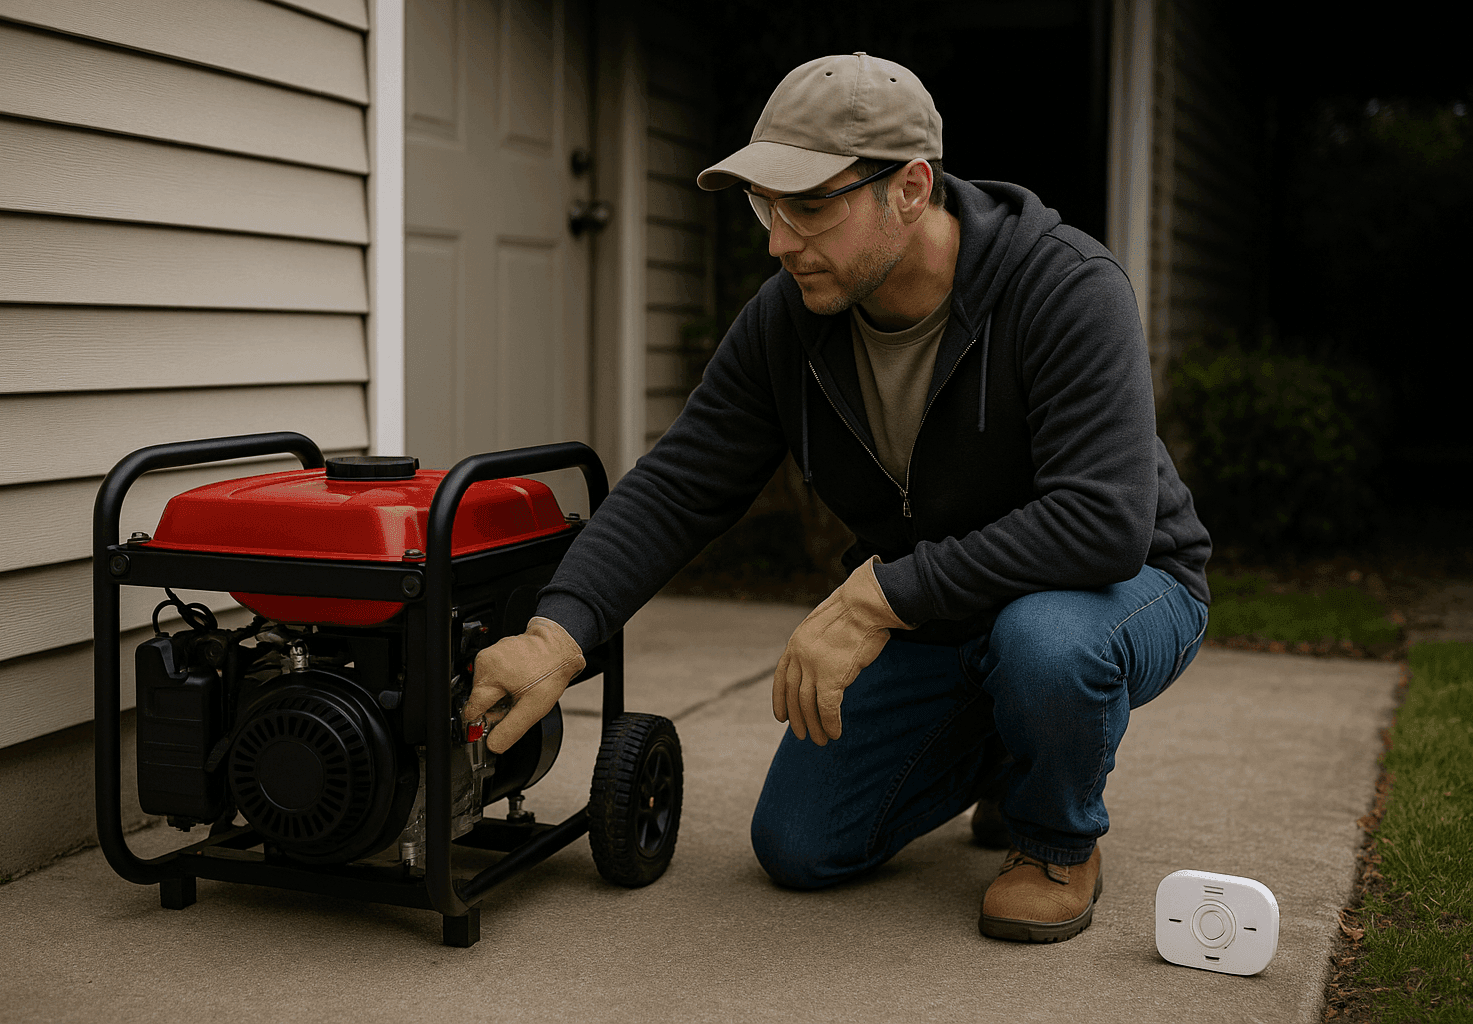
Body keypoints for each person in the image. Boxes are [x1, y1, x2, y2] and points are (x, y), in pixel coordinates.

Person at [464, 52, 1211, 943]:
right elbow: (682, 483)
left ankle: (1055, 840)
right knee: (800, 844)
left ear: (910, 188)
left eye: (810, 206)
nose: (779, 240)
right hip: (950, 611)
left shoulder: (1063, 288)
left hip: (1126, 588)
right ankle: (1013, 751)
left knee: (1045, 644)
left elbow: (1103, 523)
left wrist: (879, 594)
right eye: (764, 206)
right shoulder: (790, 318)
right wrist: (558, 633)